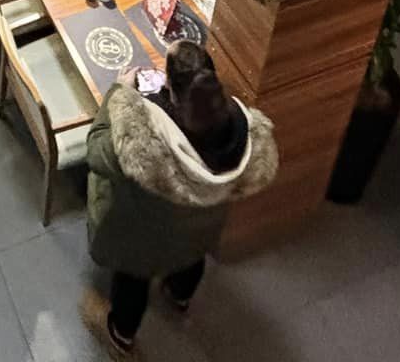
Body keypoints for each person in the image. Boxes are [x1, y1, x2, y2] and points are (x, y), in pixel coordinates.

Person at [81, 43, 279, 356]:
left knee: (133, 280)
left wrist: (119, 94)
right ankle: (179, 296)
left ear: (170, 89)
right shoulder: (243, 131)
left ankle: (121, 334)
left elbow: (96, 151)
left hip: (145, 236)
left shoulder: (144, 138)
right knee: (192, 257)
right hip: (201, 230)